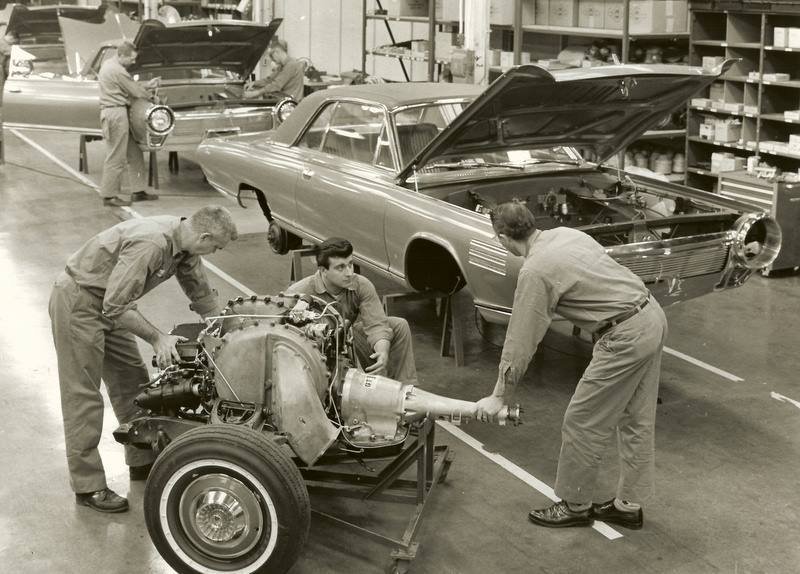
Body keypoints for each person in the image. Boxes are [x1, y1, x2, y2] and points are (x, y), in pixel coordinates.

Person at [475, 199, 668, 530]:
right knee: (637, 415)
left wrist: (498, 396)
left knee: (582, 421)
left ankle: (576, 506)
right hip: (651, 316)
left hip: (624, 336)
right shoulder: (566, 234)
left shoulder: (535, 270)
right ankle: (627, 505)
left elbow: (520, 342)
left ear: (505, 239)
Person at [49, 206, 238, 513]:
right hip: (80, 303)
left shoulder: (185, 246)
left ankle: (141, 461)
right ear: (203, 236)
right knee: (82, 394)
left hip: (112, 305)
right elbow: (115, 306)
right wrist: (157, 338)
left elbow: (201, 293)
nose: (214, 252)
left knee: (133, 384)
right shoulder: (152, 243)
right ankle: (88, 486)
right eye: (215, 246)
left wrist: (224, 332)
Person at [286, 237, 417, 384]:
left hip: (346, 338)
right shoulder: (298, 293)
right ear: (323, 270)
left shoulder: (361, 284)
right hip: (317, 354)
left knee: (399, 325)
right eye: (340, 267)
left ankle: (405, 392)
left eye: (350, 264)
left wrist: (382, 351)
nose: (349, 272)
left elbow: (376, 324)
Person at [98, 40, 160, 207]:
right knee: (116, 156)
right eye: (131, 59)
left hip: (121, 112)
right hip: (116, 114)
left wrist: (147, 84)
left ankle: (138, 191)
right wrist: (152, 96)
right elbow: (135, 91)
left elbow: (127, 85)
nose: (134, 62)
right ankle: (109, 196)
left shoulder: (109, 64)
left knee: (135, 153)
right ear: (121, 55)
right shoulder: (117, 70)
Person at [243, 38, 305, 102]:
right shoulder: (281, 66)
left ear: (277, 52)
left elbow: (276, 85)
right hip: (284, 101)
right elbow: (269, 80)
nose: (272, 60)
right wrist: (253, 83)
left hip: (292, 104)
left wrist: (255, 93)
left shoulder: (291, 65)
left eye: (272, 57)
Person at [0, 28, 19, 98]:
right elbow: (7, 64)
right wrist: (7, 74)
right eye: (14, 42)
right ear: (11, 37)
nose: (13, 44)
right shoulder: (7, 47)